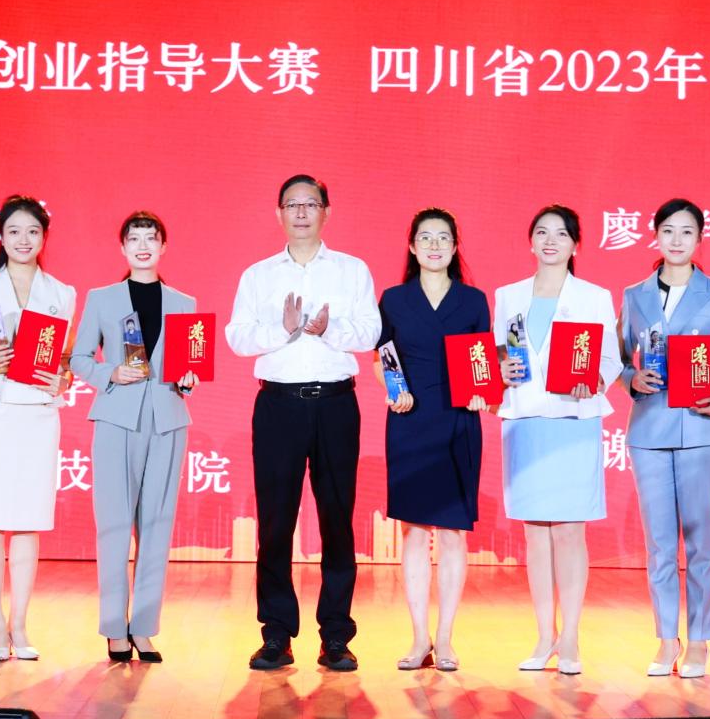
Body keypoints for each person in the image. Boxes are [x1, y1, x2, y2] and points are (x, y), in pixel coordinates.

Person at [226, 174, 382, 672]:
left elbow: (371, 332)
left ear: (325, 212)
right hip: (279, 406)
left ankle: (336, 635)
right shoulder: (258, 275)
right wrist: (284, 328)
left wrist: (329, 329)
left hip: (336, 404)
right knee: (275, 523)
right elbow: (237, 337)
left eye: (310, 204)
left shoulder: (352, 270)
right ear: (278, 214)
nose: (300, 213)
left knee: (338, 521)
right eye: (291, 205)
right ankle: (276, 634)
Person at [621, 197, 710, 679]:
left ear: (700, 239)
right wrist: (631, 379)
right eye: (668, 231)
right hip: (649, 430)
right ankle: (665, 639)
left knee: (700, 540)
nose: (676, 240)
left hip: (701, 430)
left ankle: (698, 641)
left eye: (687, 232)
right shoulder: (634, 295)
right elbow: (617, 357)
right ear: (655, 235)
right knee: (659, 544)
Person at [493, 205, 623, 677]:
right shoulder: (507, 295)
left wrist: (597, 379)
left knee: (569, 531)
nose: (551, 241)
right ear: (530, 241)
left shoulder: (594, 296)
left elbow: (610, 357)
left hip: (572, 419)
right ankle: (544, 635)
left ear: (575, 244)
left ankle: (570, 637)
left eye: (562, 234)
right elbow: (499, 353)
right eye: (542, 232)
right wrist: (501, 369)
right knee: (535, 533)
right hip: (525, 419)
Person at [70, 210, 200, 663]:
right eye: (134, 238)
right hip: (116, 419)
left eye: (151, 238)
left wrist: (188, 380)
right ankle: (114, 628)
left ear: (164, 246)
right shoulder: (102, 298)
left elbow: (188, 366)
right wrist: (110, 372)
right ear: (122, 247)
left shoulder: (184, 303)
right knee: (113, 526)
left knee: (158, 527)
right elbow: (79, 358)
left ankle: (144, 628)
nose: (143, 246)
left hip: (168, 420)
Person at [0, 196, 76, 663]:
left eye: (32, 231)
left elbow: (65, 359)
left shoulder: (62, 292)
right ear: (0, 237)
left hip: (38, 414)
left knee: (28, 520)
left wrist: (63, 377)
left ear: (44, 237)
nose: (24, 240)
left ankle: (20, 622)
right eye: (14, 231)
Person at [374, 208, 491, 672]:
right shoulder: (394, 299)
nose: (435, 245)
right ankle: (419, 637)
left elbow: (482, 358)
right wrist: (394, 390)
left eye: (444, 238)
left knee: (453, 533)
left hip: (459, 420)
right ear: (412, 246)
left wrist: (483, 391)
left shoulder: (473, 300)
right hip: (410, 418)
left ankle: (445, 640)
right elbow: (384, 355)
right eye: (426, 237)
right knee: (415, 529)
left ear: (455, 246)